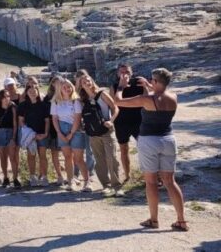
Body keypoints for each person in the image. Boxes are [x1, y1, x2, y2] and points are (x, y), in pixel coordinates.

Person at [115, 68, 187, 231]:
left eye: (151, 80)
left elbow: (118, 101)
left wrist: (121, 86)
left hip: (149, 140)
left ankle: (154, 220)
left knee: (151, 182)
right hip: (168, 139)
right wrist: (149, 85)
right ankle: (181, 220)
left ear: (156, 82)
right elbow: (160, 98)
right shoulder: (173, 96)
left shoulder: (147, 99)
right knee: (170, 181)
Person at [78, 73, 123, 197]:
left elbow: (115, 108)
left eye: (88, 80)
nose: (86, 83)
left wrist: (111, 121)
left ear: (92, 81)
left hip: (107, 131)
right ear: (81, 85)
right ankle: (106, 186)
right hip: (93, 133)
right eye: (83, 82)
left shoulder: (102, 93)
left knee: (112, 158)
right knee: (99, 160)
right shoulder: (83, 99)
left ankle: (117, 187)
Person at [51, 79, 90, 192]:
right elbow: (54, 118)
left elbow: (78, 118)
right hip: (61, 129)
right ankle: (70, 181)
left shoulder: (75, 101)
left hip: (75, 129)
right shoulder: (56, 101)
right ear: (60, 89)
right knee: (67, 157)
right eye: (64, 87)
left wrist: (71, 133)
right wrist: (59, 132)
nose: (67, 89)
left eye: (69, 87)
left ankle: (87, 181)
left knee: (78, 159)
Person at [113, 63, 145, 183]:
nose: (124, 74)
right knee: (123, 148)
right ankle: (127, 175)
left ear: (131, 73)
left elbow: (148, 98)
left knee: (144, 148)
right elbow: (113, 104)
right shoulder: (115, 86)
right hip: (121, 122)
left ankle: (147, 173)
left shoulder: (139, 83)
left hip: (139, 120)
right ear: (117, 74)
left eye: (127, 72)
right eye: (122, 72)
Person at [18, 79, 51, 186]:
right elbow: (21, 121)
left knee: (42, 155)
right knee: (31, 155)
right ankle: (32, 177)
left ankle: (44, 177)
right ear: (27, 92)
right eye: (30, 90)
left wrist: (45, 133)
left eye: (34, 90)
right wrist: (31, 134)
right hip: (30, 135)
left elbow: (47, 121)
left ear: (37, 91)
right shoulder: (23, 105)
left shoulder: (43, 105)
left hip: (42, 134)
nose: (32, 92)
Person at [0, 89, 20, 188]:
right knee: (3, 157)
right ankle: (5, 178)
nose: (6, 99)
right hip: (0, 133)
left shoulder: (12, 108)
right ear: (0, 98)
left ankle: (15, 178)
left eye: (8, 96)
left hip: (10, 133)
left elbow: (15, 124)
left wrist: (13, 137)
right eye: (4, 97)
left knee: (12, 157)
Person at [44, 75, 66, 185]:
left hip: (66, 129)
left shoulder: (67, 94)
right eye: (56, 83)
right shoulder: (47, 98)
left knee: (68, 154)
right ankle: (59, 176)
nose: (58, 85)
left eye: (60, 82)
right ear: (52, 84)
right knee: (55, 154)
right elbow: (48, 116)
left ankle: (71, 176)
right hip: (53, 130)